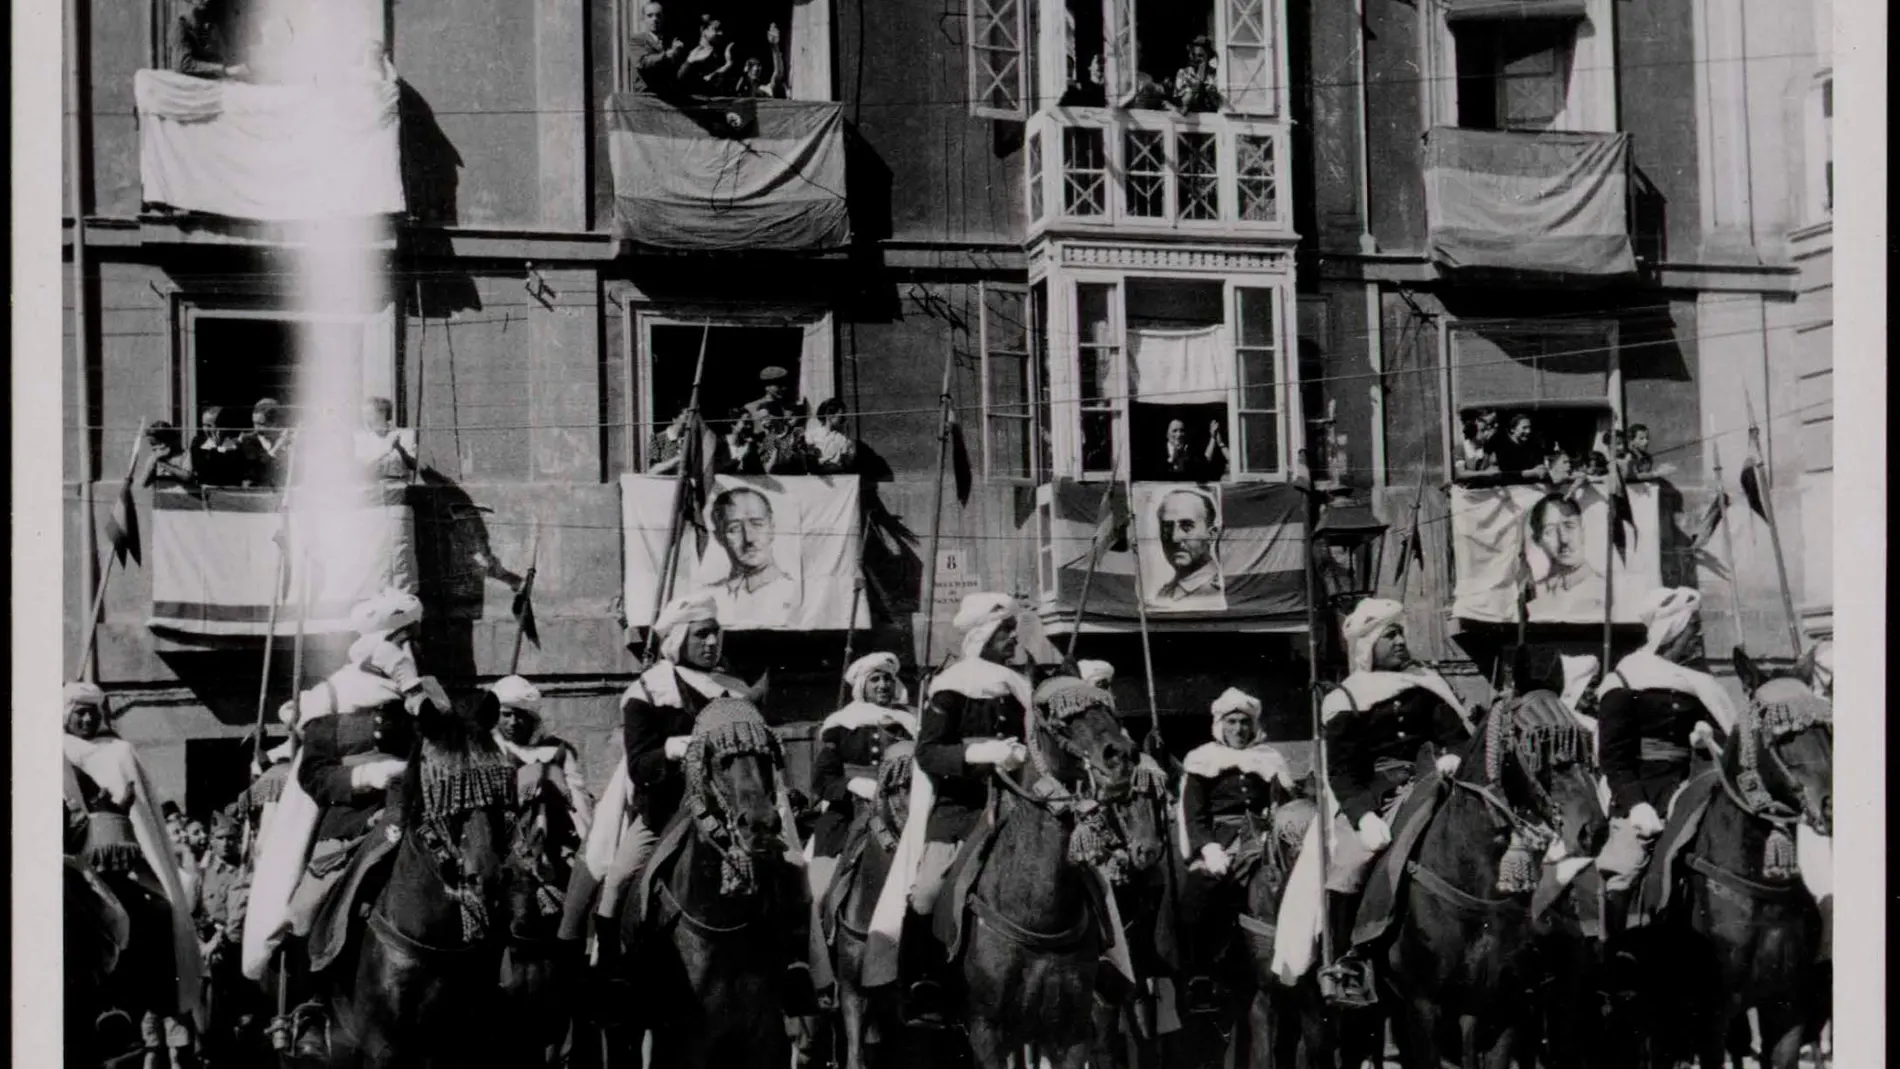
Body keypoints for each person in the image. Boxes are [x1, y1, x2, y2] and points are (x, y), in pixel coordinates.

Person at [260, 589, 434, 1057]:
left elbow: (448, 745)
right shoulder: (333, 696)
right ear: (383, 642)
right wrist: (366, 776)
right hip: (350, 822)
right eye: (406, 638)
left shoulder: (424, 694)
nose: (415, 646)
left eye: (416, 637)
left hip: (419, 814)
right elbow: (315, 774)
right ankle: (310, 1008)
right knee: (308, 907)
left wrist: (416, 693)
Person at [1270, 598, 1473, 994]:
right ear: (1367, 646)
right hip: (1373, 795)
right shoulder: (1345, 699)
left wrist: (1453, 756)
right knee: (1348, 864)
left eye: (1401, 633)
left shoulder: (1426, 685)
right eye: (1390, 634)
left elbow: (1456, 737)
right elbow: (1342, 771)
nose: (1400, 641)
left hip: (1433, 781)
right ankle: (1349, 960)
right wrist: (1362, 815)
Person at [864, 593, 1033, 1026]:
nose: (1014, 639)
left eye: (1014, 630)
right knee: (928, 891)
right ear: (984, 635)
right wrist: (980, 754)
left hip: (1016, 806)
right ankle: (925, 980)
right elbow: (929, 752)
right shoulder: (951, 686)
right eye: (1006, 631)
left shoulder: (1021, 688)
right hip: (960, 811)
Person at [561, 593, 752, 952]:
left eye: (715, 633)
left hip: (730, 813)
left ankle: (797, 962)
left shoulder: (735, 692)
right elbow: (638, 767)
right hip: (665, 811)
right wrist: (669, 750)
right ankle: (611, 963)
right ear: (679, 638)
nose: (712, 642)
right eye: (701, 634)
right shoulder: (647, 692)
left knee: (789, 869)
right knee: (618, 879)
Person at [63, 682, 207, 1066]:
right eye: (79, 712)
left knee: (148, 914)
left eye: (93, 712)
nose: (87, 719)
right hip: (65, 854)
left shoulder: (119, 751)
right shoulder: (52, 751)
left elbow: (140, 820)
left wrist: (116, 819)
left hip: (112, 860)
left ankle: (132, 1006)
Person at [1593, 588, 1739, 901]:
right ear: (1673, 630)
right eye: (1693, 627)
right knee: (1623, 870)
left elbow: (1728, 740)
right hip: (1647, 791)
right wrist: (1636, 803)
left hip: (1696, 785)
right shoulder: (1624, 681)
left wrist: (1706, 739)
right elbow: (1613, 756)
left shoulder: (1698, 682)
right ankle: (1618, 930)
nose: (1699, 635)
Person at [1176, 688, 1294, 1014]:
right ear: (1220, 725)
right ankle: (1200, 973)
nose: (1239, 729)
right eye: (1232, 722)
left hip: (1265, 834)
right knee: (1200, 888)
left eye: (1244, 722)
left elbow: (1285, 803)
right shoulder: (1202, 760)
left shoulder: (1269, 759)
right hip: (1220, 839)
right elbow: (1194, 813)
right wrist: (1207, 847)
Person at [808, 653, 917, 900]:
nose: (883, 685)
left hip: (901, 808)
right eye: (875, 679)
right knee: (821, 885)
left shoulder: (909, 723)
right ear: (861, 686)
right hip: (849, 811)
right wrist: (854, 784)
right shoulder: (841, 725)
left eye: (887, 679)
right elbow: (822, 781)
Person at [490, 675, 595, 846]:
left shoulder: (556, 749)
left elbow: (578, 801)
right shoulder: (491, 750)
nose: (513, 722)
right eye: (506, 715)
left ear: (532, 718)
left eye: (520, 715)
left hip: (556, 829)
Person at [701, 486, 799, 626]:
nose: (749, 538)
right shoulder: (706, 599)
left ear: (772, 528)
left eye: (757, 525)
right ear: (719, 537)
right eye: (734, 528)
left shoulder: (798, 595)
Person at [1527, 492, 1603, 619]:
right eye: (1550, 531)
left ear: (1582, 530)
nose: (1563, 539)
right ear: (1537, 540)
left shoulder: (1605, 590)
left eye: (1569, 526)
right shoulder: (1532, 594)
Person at [1154, 488, 1223, 605]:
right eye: (1167, 527)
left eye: (1187, 526)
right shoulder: (1164, 593)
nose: (1175, 538)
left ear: (1211, 535)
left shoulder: (1218, 591)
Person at [170, 0, 248, 80]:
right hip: (191, 83)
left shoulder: (209, 25)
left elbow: (221, 57)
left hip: (214, 80)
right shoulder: (180, 26)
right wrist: (225, 70)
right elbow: (183, 64)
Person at [625, 0, 687, 95]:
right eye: (650, 16)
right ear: (643, 18)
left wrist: (678, 54)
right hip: (648, 95)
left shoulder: (670, 41)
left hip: (669, 94)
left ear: (663, 18)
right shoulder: (636, 40)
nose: (655, 19)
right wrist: (666, 55)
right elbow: (642, 63)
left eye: (658, 15)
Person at [353, 397, 415, 483]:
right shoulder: (361, 437)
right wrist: (386, 450)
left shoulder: (405, 434)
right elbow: (362, 467)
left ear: (383, 413)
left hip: (399, 485)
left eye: (369, 414)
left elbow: (414, 465)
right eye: (364, 415)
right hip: (372, 485)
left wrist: (400, 449)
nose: (366, 419)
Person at [676, 14, 736, 95]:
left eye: (721, 30)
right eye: (715, 29)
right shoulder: (695, 53)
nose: (721, 33)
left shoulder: (717, 53)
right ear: (704, 31)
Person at [238, 399, 292, 488]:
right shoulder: (249, 441)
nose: (256, 429)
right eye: (254, 423)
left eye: (260, 424)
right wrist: (276, 449)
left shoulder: (288, 439)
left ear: (275, 423)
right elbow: (259, 467)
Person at [803, 398, 858, 474]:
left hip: (836, 475)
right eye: (840, 414)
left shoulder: (842, 438)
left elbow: (845, 462)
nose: (841, 418)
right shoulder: (812, 434)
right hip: (816, 476)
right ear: (829, 415)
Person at [190, 408, 242, 487]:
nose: (205, 429)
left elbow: (231, 473)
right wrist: (216, 446)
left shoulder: (235, 444)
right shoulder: (198, 442)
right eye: (204, 425)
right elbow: (203, 470)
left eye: (209, 425)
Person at [1169, 36, 1221, 114]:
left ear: (1208, 56)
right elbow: (1181, 103)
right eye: (1194, 55)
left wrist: (1212, 94)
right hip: (1190, 118)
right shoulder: (1183, 73)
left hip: (1211, 118)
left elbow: (1219, 106)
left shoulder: (1216, 74)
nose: (1196, 59)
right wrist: (1194, 88)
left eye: (1200, 56)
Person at [1491, 412, 1545, 481]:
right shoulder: (1503, 447)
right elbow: (1505, 473)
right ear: (1512, 429)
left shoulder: (1532, 446)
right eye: (1524, 428)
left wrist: (1541, 468)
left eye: (1529, 427)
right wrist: (1531, 473)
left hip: (1533, 484)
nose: (1528, 431)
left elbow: (1539, 463)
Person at [144, 422, 196, 487]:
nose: (154, 448)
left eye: (156, 444)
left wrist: (165, 465)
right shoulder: (154, 457)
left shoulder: (185, 455)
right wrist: (152, 463)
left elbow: (187, 476)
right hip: (160, 492)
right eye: (152, 445)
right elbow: (144, 483)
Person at [1458, 409, 1499, 477]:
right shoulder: (1461, 448)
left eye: (1487, 429)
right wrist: (1485, 473)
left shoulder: (1488, 446)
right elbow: (1462, 473)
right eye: (1483, 430)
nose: (1487, 433)